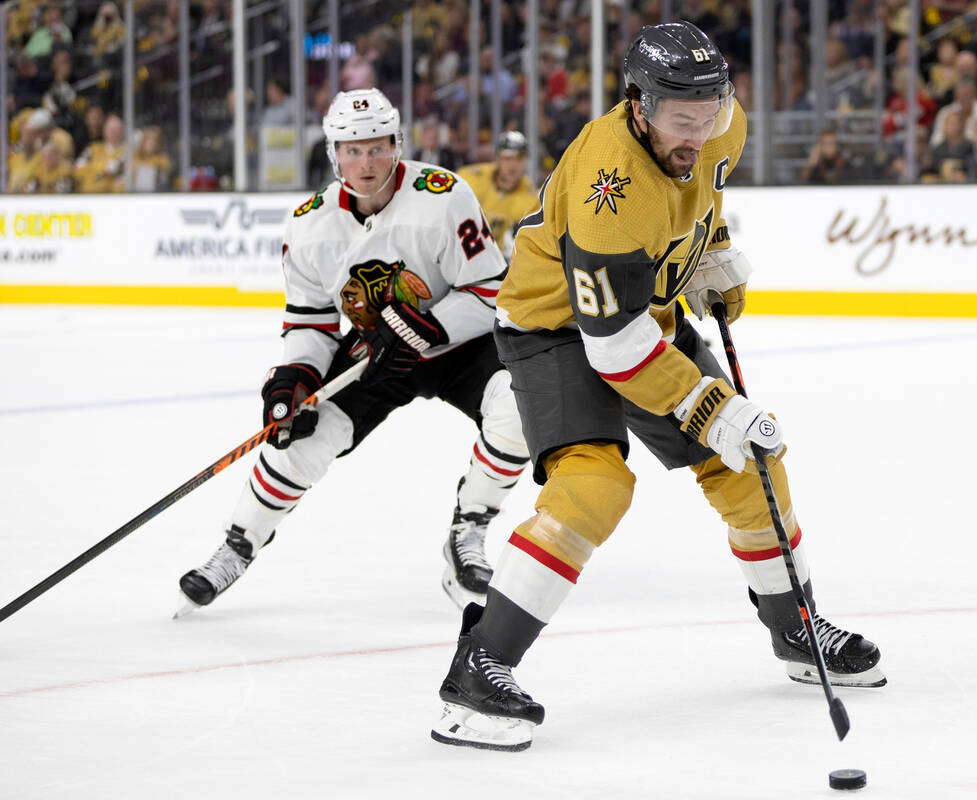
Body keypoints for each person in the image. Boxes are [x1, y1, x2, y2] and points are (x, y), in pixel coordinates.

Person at [429, 21, 885, 753]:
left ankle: (794, 627)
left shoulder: (718, 124)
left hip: (640, 312)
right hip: (557, 328)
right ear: (638, 105)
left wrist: (713, 255)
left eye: (711, 114)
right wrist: (713, 409)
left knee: (753, 465)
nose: (700, 133)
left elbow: (703, 195)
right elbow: (614, 350)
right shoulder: (613, 185)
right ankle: (478, 669)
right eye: (683, 120)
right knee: (593, 487)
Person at [175, 88, 530, 615]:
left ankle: (468, 529)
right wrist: (294, 375)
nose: (366, 162)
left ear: (397, 145)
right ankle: (239, 544)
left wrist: (427, 326)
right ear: (333, 154)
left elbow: (490, 291)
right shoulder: (309, 222)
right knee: (306, 435)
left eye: (377, 146)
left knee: (518, 408)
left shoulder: (444, 195)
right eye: (352, 149)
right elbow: (311, 321)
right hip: (377, 352)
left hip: (459, 344)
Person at [456, 131, 540, 258]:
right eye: (508, 158)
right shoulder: (471, 177)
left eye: (519, 159)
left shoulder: (531, 198)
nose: (513, 165)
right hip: (461, 251)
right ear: (498, 159)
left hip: (500, 261)